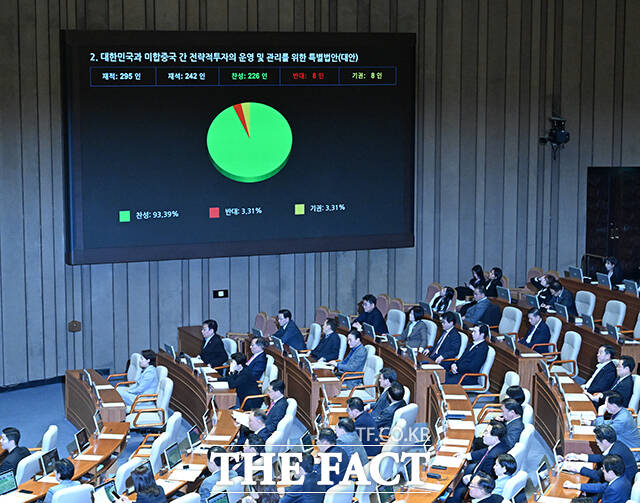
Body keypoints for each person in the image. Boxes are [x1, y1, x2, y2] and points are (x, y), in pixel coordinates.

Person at [449, 422, 509, 503]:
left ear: (495, 438)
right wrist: (466, 455)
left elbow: (486, 478)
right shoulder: (500, 444)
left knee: (452, 496)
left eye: (486, 432)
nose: (483, 435)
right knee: (459, 475)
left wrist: (471, 478)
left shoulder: (493, 457)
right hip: (477, 472)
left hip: (480, 485)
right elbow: (484, 451)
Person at [563, 425, 637, 484]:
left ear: (604, 441)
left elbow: (599, 476)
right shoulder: (616, 444)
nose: (597, 444)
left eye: (597, 442)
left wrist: (578, 469)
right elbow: (602, 458)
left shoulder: (615, 454)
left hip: (624, 485)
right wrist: (578, 457)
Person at [563, 454, 631, 503]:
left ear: (611, 472)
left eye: (603, 468)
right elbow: (600, 487)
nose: (602, 470)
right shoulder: (621, 478)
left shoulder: (613, 489)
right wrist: (574, 486)